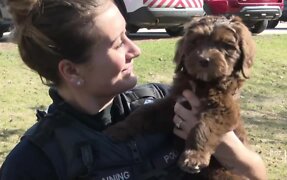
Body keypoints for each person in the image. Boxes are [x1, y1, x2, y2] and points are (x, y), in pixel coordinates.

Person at [0, 0, 267, 179]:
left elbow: (256, 173)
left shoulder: (172, 104)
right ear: (71, 71)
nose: (135, 50)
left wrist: (234, 154)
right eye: (118, 44)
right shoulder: (36, 161)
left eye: (130, 35)